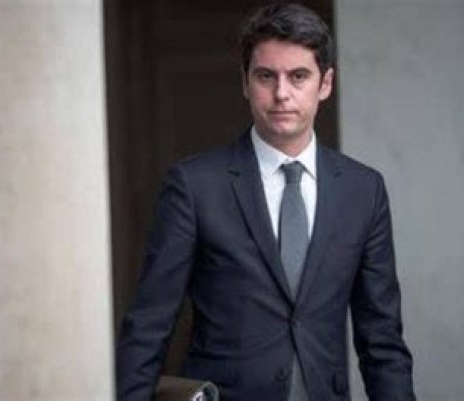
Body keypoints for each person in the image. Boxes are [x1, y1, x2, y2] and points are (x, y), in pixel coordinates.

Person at [116, 3, 415, 400]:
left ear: (325, 84)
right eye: (266, 76)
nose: (281, 93)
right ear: (245, 82)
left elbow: (382, 341)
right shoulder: (194, 186)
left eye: (298, 76)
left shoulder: (364, 190)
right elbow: (148, 327)